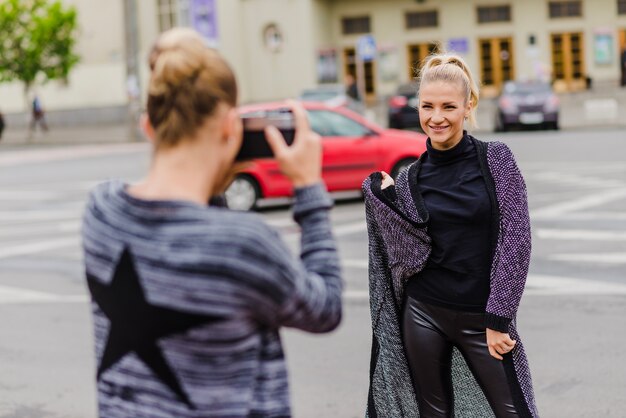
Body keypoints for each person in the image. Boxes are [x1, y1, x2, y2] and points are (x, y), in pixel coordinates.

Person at [82, 28, 342, 417]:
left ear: (148, 126)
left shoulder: (101, 210)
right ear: (228, 126)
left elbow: (191, 225)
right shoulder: (243, 244)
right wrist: (307, 186)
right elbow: (325, 308)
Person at [363, 53, 539, 417]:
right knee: (433, 412)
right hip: (424, 313)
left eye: (448, 106)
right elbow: (409, 252)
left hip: (483, 318)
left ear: (468, 105)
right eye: (427, 106)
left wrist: (498, 318)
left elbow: (516, 239)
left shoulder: (497, 160)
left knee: (515, 411)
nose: (436, 117)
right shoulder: (411, 177)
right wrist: (387, 202)